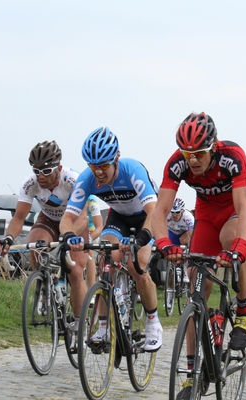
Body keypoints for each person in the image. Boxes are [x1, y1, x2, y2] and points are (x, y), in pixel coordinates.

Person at [151, 112, 246, 400]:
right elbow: (160, 211)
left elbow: (245, 208)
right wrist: (164, 242)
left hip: (239, 208)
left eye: (199, 153)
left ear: (213, 146)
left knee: (230, 239)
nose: (193, 160)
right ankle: (190, 377)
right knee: (195, 288)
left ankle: (243, 311)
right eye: (188, 154)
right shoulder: (177, 163)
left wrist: (239, 248)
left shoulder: (232, 157)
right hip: (207, 214)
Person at [60, 127, 163, 352]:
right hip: (119, 218)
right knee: (105, 258)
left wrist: (142, 238)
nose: (98, 172)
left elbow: (154, 211)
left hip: (147, 217)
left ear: (116, 158)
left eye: (104, 165)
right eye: (93, 166)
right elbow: (68, 218)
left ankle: (153, 322)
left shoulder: (132, 170)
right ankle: (105, 326)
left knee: (137, 267)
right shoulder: (87, 179)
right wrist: (69, 236)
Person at [0, 140, 90, 316]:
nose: (41, 176)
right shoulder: (30, 184)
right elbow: (19, 218)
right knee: (35, 246)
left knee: (76, 273)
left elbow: (83, 217)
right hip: (48, 219)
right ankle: (47, 283)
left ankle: (79, 324)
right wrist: (9, 238)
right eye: (36, 171)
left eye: (46, 171)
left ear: (59, 168)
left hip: (75, 221)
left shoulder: (73, 180)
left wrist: (68, 236)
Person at [84, 194, 104, 289]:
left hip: (91, 230)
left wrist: (90, 240)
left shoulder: (91, 199)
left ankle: (91, 289)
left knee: (89, 250)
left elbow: (99, 227)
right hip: (77, 229)